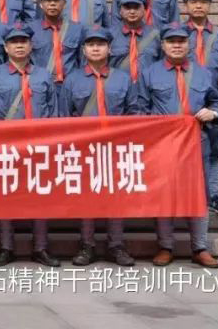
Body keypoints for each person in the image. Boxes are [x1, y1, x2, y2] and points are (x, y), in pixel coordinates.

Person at [141, 23, 218, 269]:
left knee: (198, 193)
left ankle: (200, 247)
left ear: (189, 45)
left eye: (181, 41)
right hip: (163, 144)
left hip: (197, 141)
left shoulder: (204, 73)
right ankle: (166, 246)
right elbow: (139, 107)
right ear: (163, 45)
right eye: (171, 41)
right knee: (164, 193)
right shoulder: (149, 73)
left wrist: (213, 112)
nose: (176, 45)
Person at [59, 25, 138, 267]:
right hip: (83, 148)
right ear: (83, 50)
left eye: (101, 44)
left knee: (116, 197)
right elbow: (64, 117)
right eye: (91, 44)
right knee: (87, 198)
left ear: (109, 49)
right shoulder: (72, 80)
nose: (96, 48)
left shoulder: (123, 79)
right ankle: (87, 245)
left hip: (115, 148)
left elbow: (134, 113)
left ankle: (116, 245)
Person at [0, 22, 59, 267]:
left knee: (40, 196)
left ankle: (41, 247)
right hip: (6, 146)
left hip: (39, 145)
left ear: (31, 45)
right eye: (14, 42)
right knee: (6, 196)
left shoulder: (44, 75)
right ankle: (6, 247)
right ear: (6, 47)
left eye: (23, 41)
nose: (19, 46)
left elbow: (54, 113)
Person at [183, 0, 218, 216]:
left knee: (214, 150)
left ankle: (214, 195)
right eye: (194, 1)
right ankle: (187, 195)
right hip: (186, 96)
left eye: (203, 2)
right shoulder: (177, 34)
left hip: (214, 99)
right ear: (186, 5)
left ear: (210, 5)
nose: (198, 6)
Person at [31, 0, 83, 92]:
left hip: (69, 86)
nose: (52, 4)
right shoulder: (31, 30)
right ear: (41, 4)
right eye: (48, 0)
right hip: (40, 86)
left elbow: (82, 61)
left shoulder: (76, 29)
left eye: (57, 0)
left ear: (64, 3)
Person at [110, 0, 161, 86]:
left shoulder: (156, 36)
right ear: (120, 11)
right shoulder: (110, 36)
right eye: (127, 7)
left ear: (144, 10)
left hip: (148, 88)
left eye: (136, 7)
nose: (132, 11)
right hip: (118, 88)